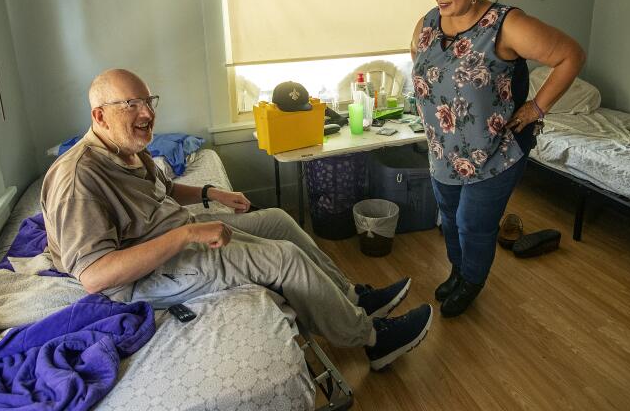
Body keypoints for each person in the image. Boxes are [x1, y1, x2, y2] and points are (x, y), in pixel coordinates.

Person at [41, 68, 432, 371]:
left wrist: (212, 194)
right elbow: (94, 276)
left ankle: (350, 298)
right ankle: (371, 339)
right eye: (132, 105)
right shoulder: (78, 178)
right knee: (282, 258)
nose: (147, 113)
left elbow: (163, 191)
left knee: (277, 220)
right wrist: (189, 232)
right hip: (140, 277)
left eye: (148, 101)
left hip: (176, 233)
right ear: (100, 115)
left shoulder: (129, 148)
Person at [410, 0, 585, 317]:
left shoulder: (506, 24)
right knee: (450, 221)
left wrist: (537, 107)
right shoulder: (427, 22)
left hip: (493, 152)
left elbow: (571, 55)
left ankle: (472, 281)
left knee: (473, 225)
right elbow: (423, 62)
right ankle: (458, 272)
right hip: (443, 152)